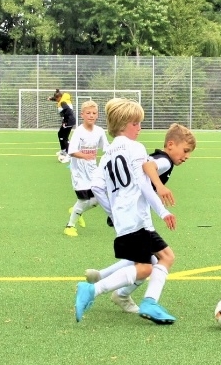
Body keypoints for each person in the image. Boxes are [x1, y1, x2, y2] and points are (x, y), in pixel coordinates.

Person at [74, 98, 177, 325]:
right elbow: (143, 184)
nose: (139, 128)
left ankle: (146, 301)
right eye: (136, 123)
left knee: (162, 258)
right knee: (146, 267)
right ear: (123, 125)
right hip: (138, 219)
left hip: (124, 219)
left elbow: (97, 187)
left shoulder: (107, 154)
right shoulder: (135, 148)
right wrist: (163, 211)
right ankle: (94, 289)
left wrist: (113, 212)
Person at [84, 123, 196, 314]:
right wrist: (160, 187)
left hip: (123, 210)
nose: (186, 156)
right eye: (185, 150)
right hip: (135, 216)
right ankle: (127, 295)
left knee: (147, 258)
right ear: (170, 144)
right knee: (161, 259)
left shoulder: (152, 155)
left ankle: (104, 278)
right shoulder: (165, 161)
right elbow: (148, 167)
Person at [63, 100, 108, 237]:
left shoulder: (99, 131)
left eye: (94, 113)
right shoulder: (79, 132)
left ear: (97, 115)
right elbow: (71, 151)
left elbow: (106, 148)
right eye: (88, 113)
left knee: (97, 199)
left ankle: (76, 210)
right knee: (83, 200)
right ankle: (70, 226)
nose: (91, 115)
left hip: (93, 170)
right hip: (79, 171)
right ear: (82, 115)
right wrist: (85, 156)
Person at [50, 89, 76, 159]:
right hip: (67, 120)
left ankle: (69, 154)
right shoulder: (62, 99)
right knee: (60, 134)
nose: (56, 100)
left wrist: (65, 121)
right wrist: (51, 99)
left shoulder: (63, 103)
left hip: (69, 121)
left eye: (56, 99)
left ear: (59, 97)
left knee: (65, 137)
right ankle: (63, 150)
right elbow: (57, 98)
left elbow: (68, 111)